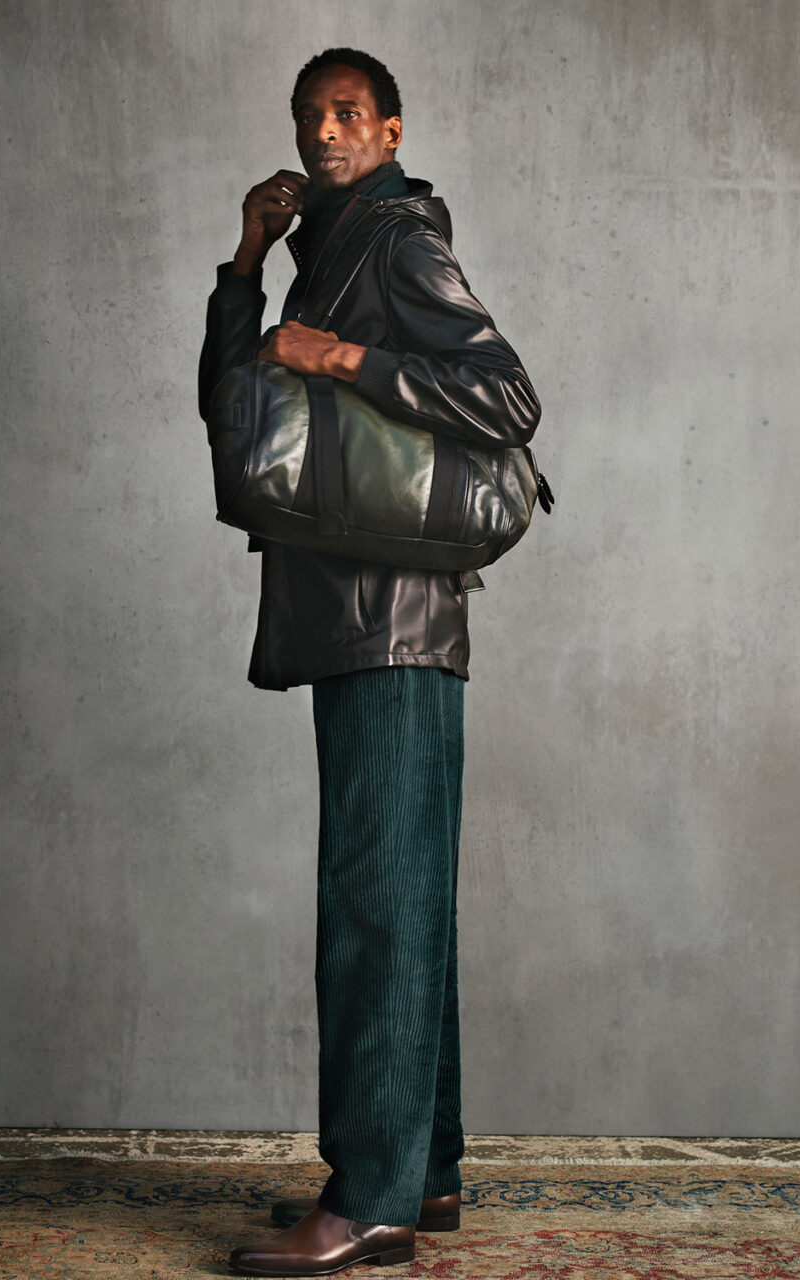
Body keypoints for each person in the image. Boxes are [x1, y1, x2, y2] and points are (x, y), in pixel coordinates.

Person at [198, 47, 541, 1277]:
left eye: (348, 113)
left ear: (391, 131)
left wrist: (338, 358)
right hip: (366, 616)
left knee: (373, 909)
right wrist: (246, 263)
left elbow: (506, 397)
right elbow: (233, 418)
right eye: (309, 116)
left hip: (391, 618)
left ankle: (368, 1202)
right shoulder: (322, 254)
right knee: (403, 901)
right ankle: (424, 1167)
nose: (324, 132)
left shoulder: (396, 241)